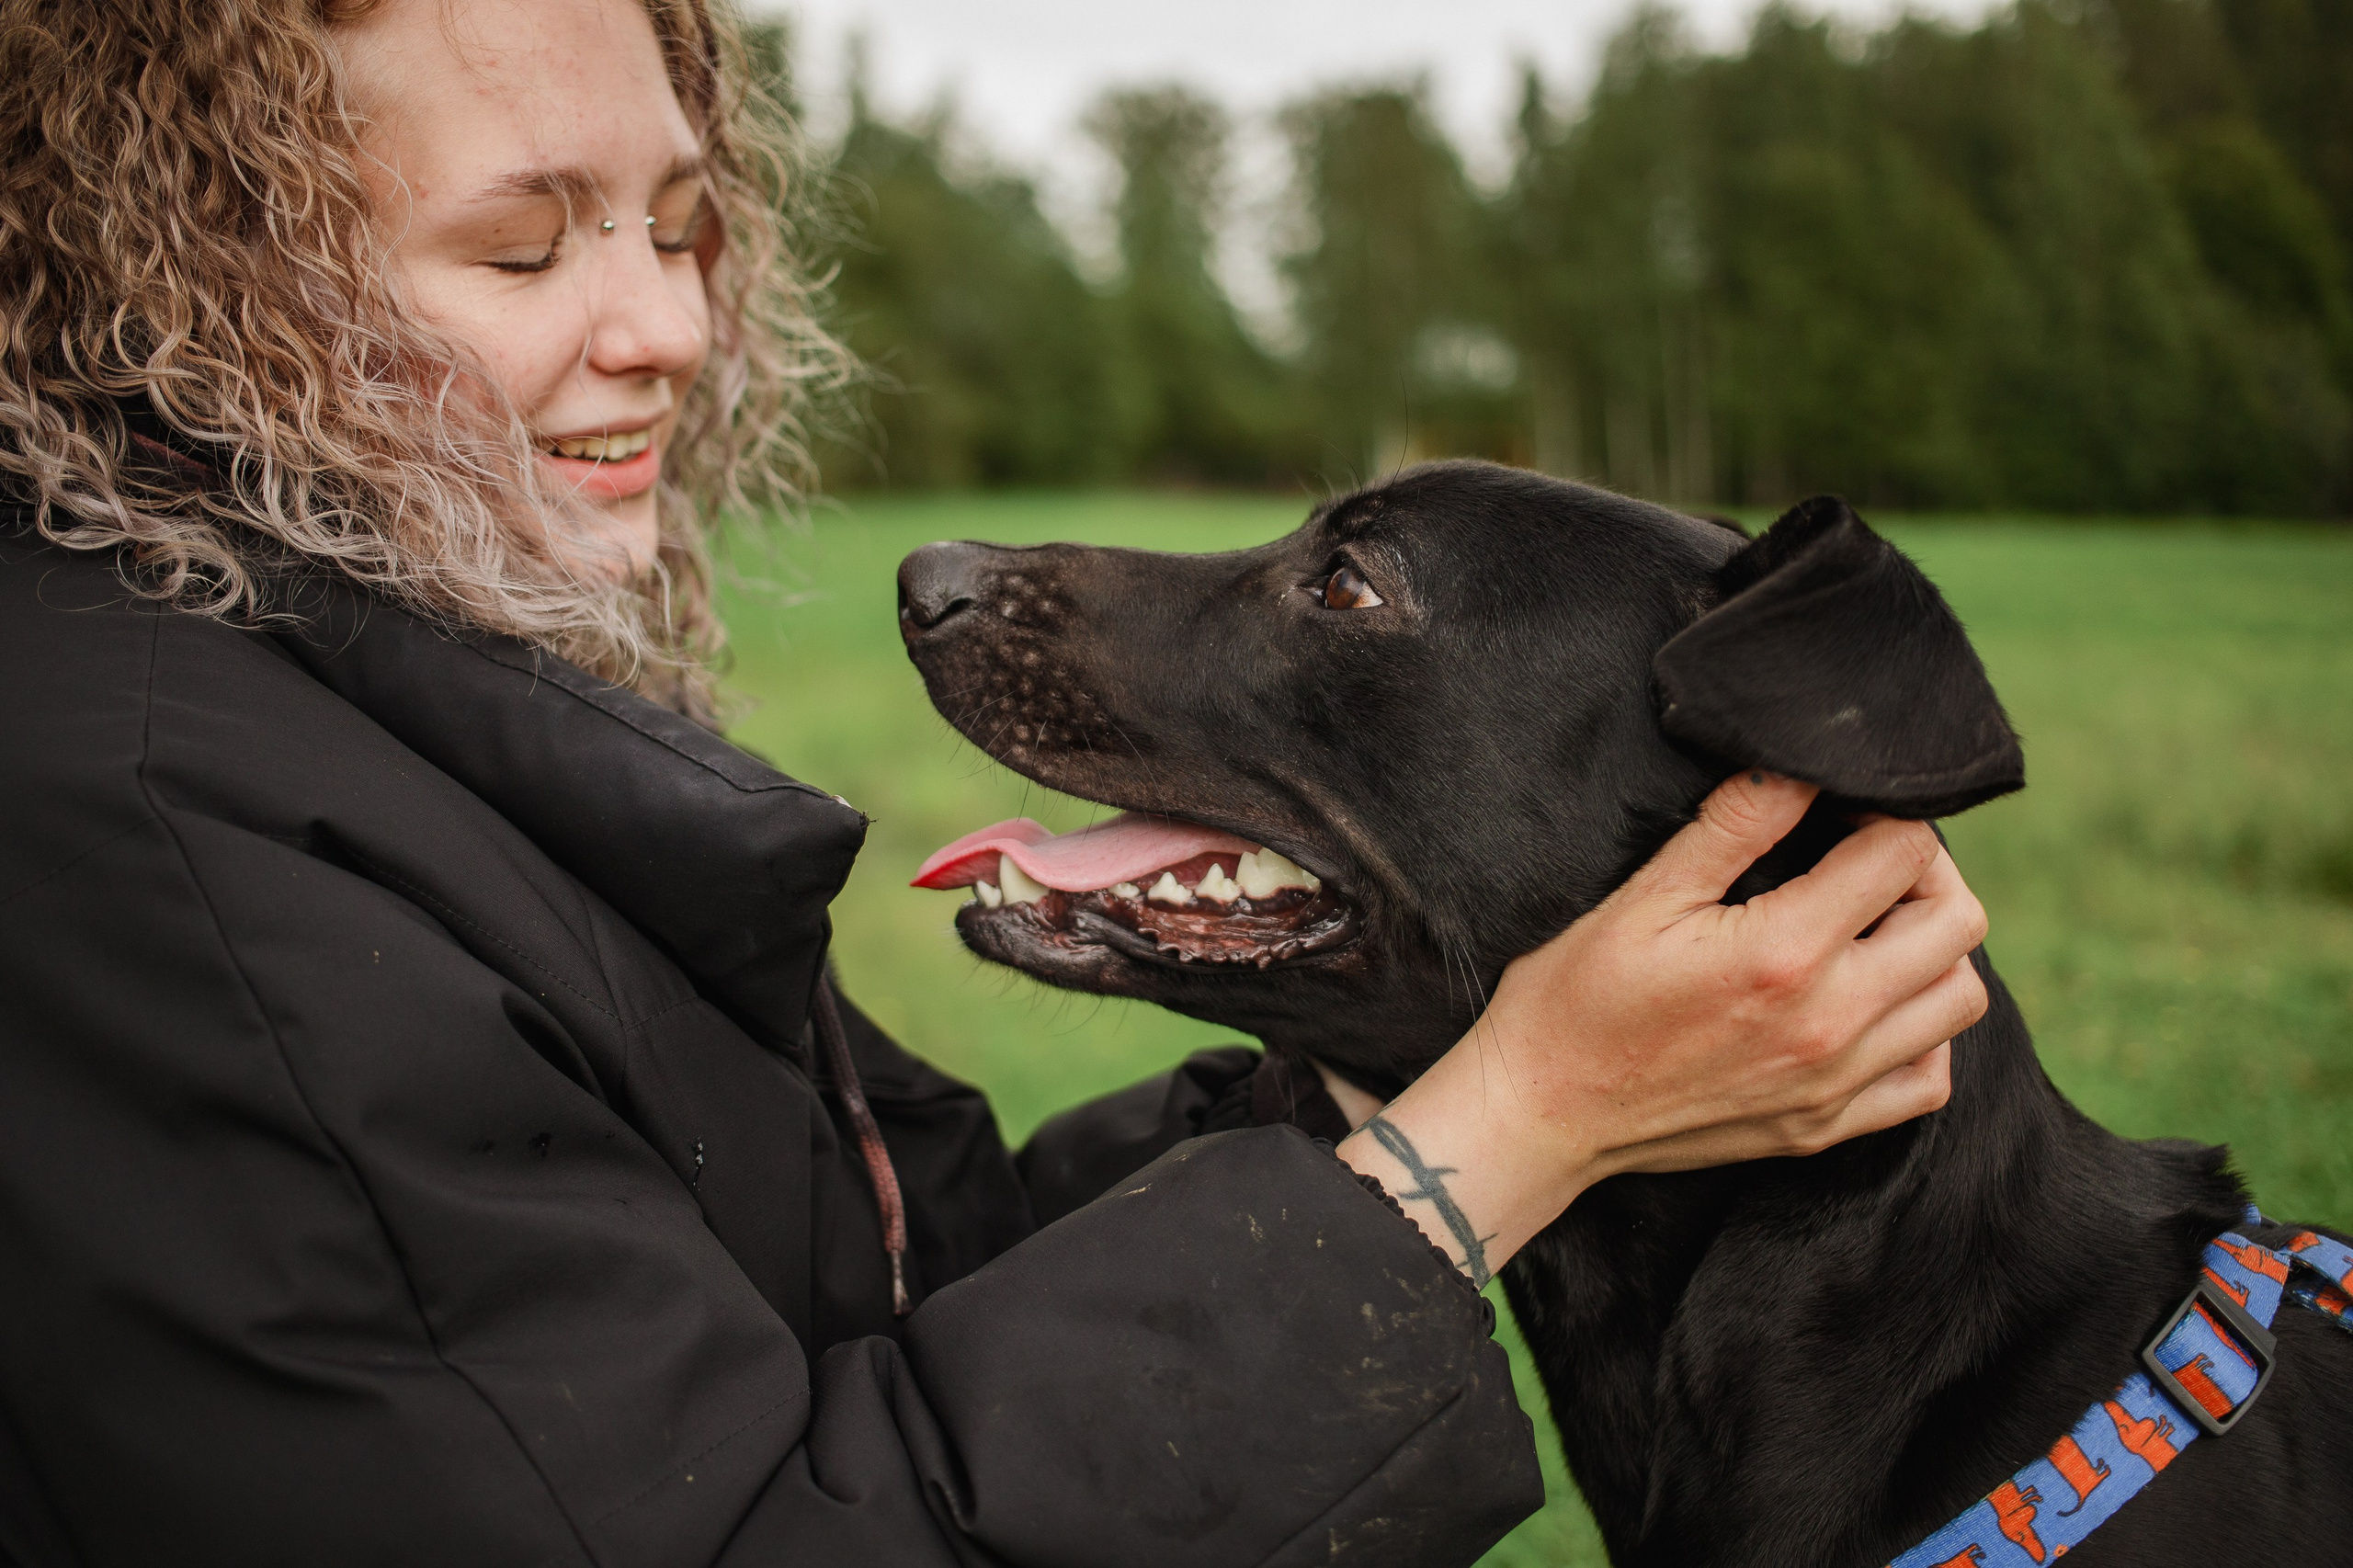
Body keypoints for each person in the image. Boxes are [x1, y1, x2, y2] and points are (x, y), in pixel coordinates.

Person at [0, 1, 1989, 1563]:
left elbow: (890, 1289)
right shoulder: (156, 846)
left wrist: (1475, 1044)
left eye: (683, 228)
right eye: (525, 251)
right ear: (192, 284)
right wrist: (1502, 1131)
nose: (673, 326)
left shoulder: (355, 700)